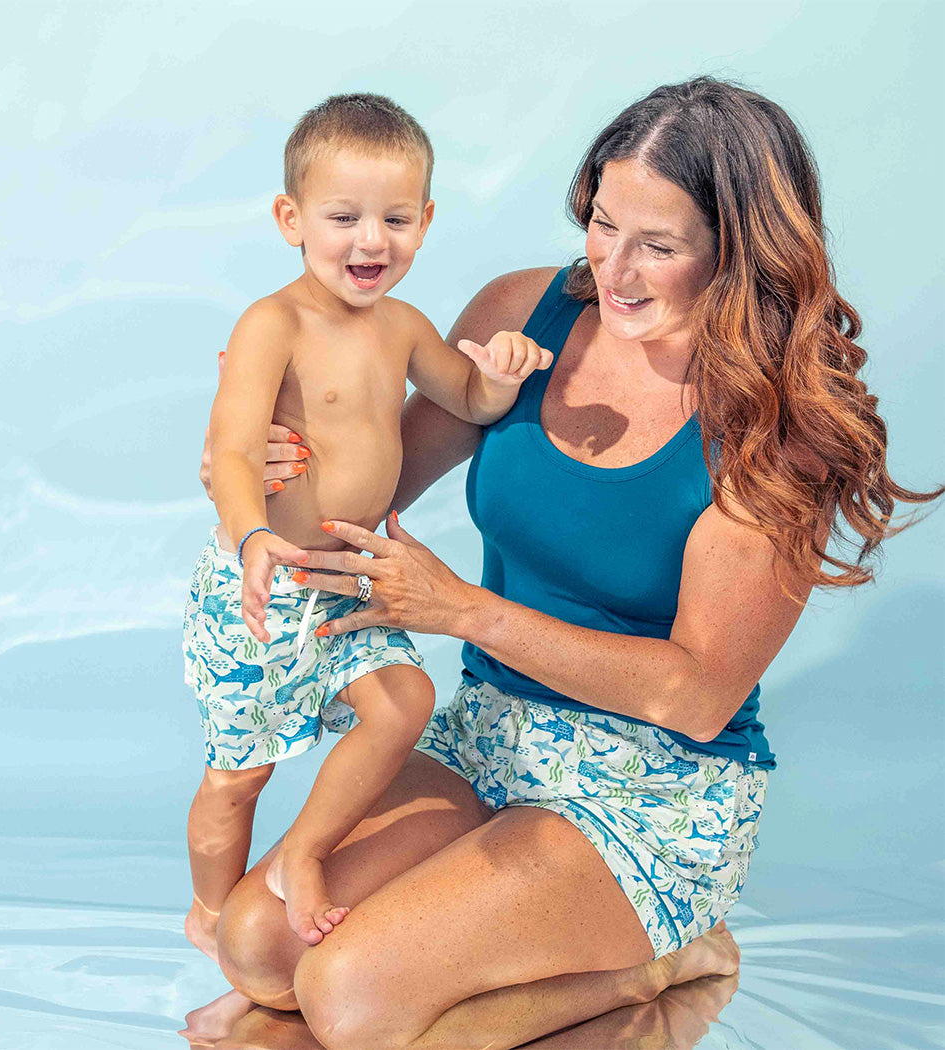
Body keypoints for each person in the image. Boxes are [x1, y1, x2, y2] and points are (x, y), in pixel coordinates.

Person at [191, 78, 941, 1049]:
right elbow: (366, 499)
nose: (613, 270)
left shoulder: (771, 434)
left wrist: (464, 613)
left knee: (349, 998)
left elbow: (697, 695)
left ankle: (664, 959)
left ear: (735, 251)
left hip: (653, 785)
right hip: (488, 735)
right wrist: (262, 451)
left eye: (658, 246)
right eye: (602, 223)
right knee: (258, 945)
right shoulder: (525, 315)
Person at [182, 92, 551, 956]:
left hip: (345, 580)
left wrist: (498, 377)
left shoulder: (406, 326)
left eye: (394, 218)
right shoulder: (273, 324)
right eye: (343, 217)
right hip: (264, 586)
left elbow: (460, 400)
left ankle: (299, 856)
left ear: (425, 222)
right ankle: (206, 914)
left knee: (405, 699)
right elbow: (232, 452)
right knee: (240, 778)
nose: (370, 241)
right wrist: (253, 538)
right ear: (291, 219)